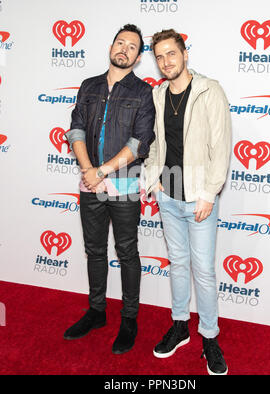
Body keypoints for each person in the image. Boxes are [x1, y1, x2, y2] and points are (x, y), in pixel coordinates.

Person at [64, 24, 155, 355]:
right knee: (95, 250)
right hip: (90, 185)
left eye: (132, 47)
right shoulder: (88, 86)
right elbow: (75, 130)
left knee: (127, 252)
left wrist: (100, 170)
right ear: (111, 46)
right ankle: (97, 311)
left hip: (126, 187)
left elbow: (139, 143)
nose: (124, 49)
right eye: (120, 43)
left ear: (138, 55)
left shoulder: (143, 93)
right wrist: (89, 172)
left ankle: (129, 319)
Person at [144, 29, 231, 374]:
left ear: (184, 54)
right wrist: (153, 181)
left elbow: (221, 148)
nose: (166, 61)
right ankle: (180, 325)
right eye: (160, 56)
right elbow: (154, 144)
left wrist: (208, 194)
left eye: (171, 54)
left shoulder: (210, 91)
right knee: (178, 265)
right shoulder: (158, 94)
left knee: (204, 272)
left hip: (198, 200)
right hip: (168, 195)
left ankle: (209, 337)